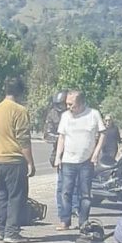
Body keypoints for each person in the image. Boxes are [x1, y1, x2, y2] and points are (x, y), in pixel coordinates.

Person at [0, 77, 36, 243]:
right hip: (14, 160)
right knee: (17, 197)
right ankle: (12, 232)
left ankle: (0, 228)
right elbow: (23, 139)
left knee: (3, 196)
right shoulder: (19, 110)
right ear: (20, 91)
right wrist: (30, 162)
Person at [54, 90, 105, 230]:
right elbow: (62, 137)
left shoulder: (93, 114)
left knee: (85, 193)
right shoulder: (65, 116)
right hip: (68, 160)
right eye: (67, 104)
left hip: (86, 161)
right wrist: (58, 157)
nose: (69, 107)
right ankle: (65, 220)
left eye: (72, 105)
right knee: (66, 192)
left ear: (81, 103)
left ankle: (83, 221)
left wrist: (96, 153)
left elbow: (102, 134)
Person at [44, 91, 77, 222]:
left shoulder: (75, 112)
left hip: (76, 152)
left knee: (76, 184)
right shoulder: (52, 114)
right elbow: (47, 135)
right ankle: (62, 210)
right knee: (62, 184)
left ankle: (75, 209)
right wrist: (61, 138)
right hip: (61, 153)